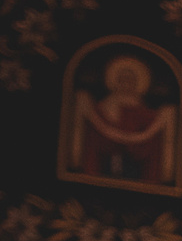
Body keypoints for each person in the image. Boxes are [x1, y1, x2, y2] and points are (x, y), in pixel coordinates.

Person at [68, 55, 175, 187]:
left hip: (134, 167)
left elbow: (152, 139)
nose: (125, 83)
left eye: (129, 80)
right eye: (122, 79)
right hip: (102, 166)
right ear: (115, 81)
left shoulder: (144, 112)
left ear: (136, 83)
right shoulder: (101, 108)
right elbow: (93, 135)